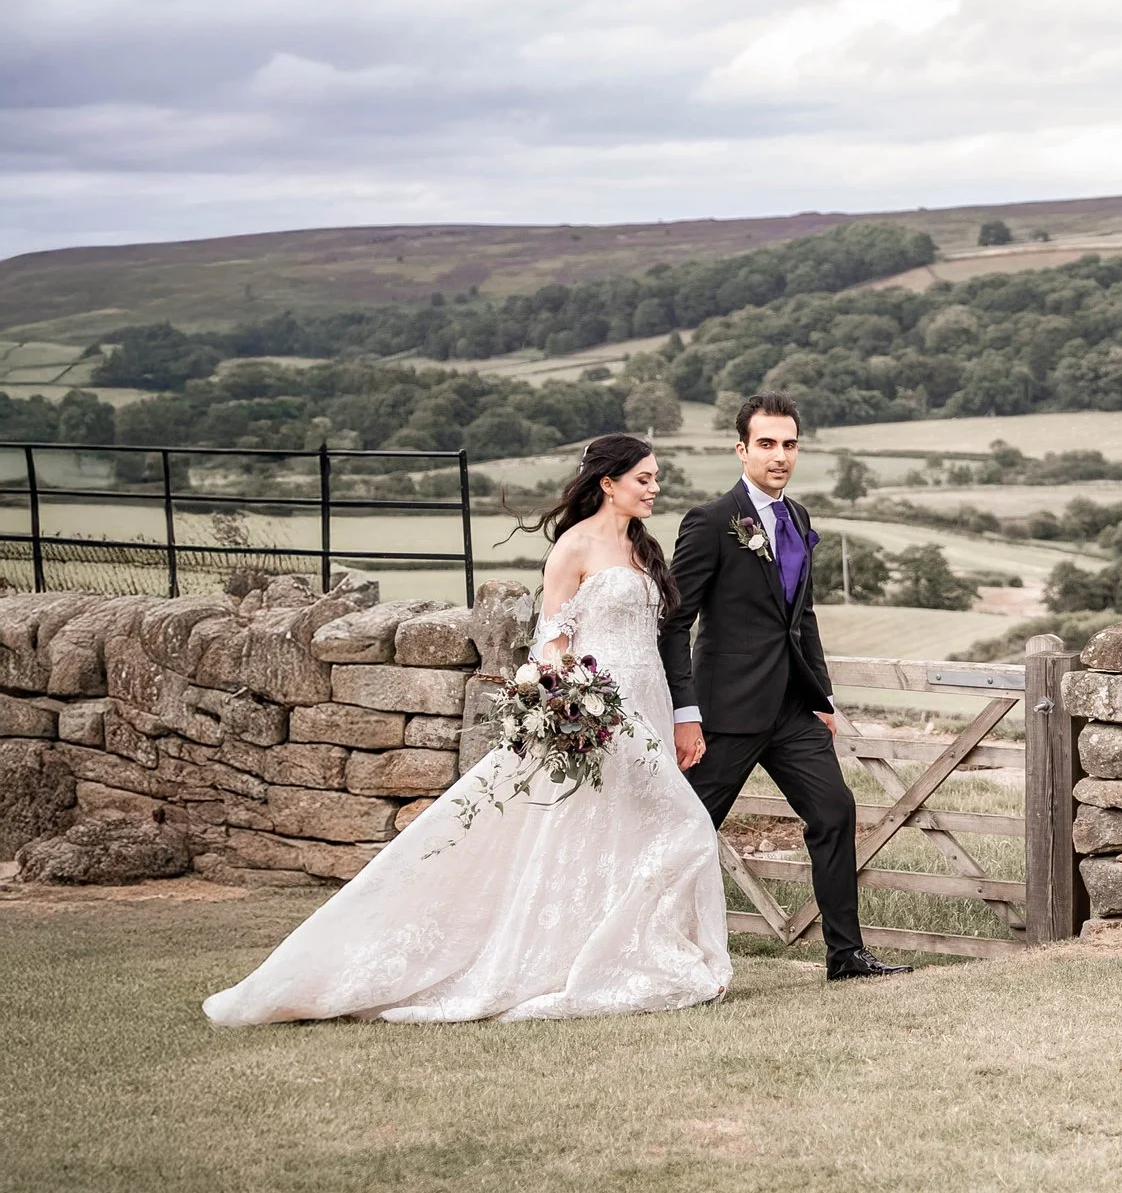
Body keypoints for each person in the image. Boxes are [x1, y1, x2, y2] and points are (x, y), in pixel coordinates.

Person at [204, 434, 734, 1025]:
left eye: (655, 477)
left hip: (649, 704)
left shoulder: (645, 548)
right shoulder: (572, 549)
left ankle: (633, 953)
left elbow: (658, 635)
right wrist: (569, 703)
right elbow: (552, 643)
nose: (655, 487)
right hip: (603, 712)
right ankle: (588, 960)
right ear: (608, 483)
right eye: (645, 478)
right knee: (679, 825)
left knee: (626, 834)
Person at [663, 393, 907, 980]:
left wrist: (821, 699)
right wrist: (685, 711)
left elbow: (804, 618)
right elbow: (674, 623)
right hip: (726, 710)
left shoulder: (797, 519)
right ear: (741, 448)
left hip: (793, 710)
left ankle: (845, 957)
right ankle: (647, 949)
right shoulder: (710, 521)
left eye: (790, 444)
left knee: (835, 810)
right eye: (767, 444)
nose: (780, 456)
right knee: (688, 830)